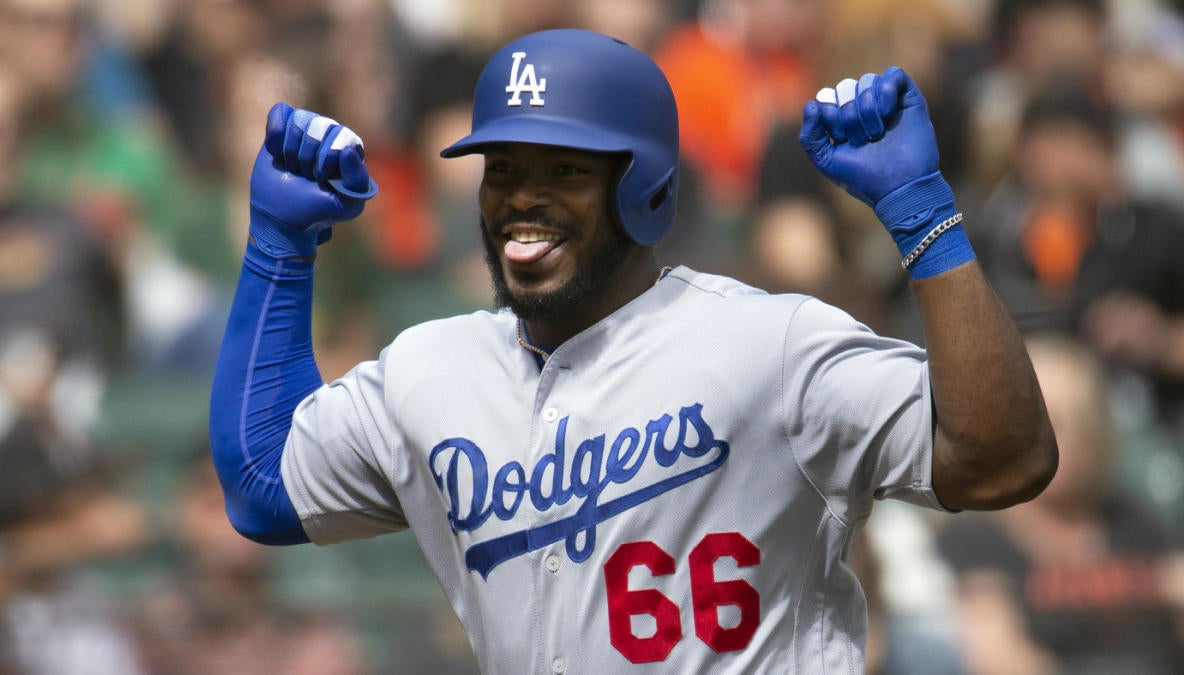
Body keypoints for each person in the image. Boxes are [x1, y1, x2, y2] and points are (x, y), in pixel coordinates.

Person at [209, 28, 1056, 673]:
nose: (522, 199)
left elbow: (1004, 460)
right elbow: (263, 488)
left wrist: (924, 215)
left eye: (565, 171)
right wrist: (280, 245)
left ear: (645, 189)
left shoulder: (770, 344)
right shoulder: (431, 368)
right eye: (503, 168)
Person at [936, 333, 1184, 675]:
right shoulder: (977, 534)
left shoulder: (1137, 521)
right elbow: (998, 659)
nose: (1053, 437)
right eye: (1040, 420)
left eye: (1071, 421)